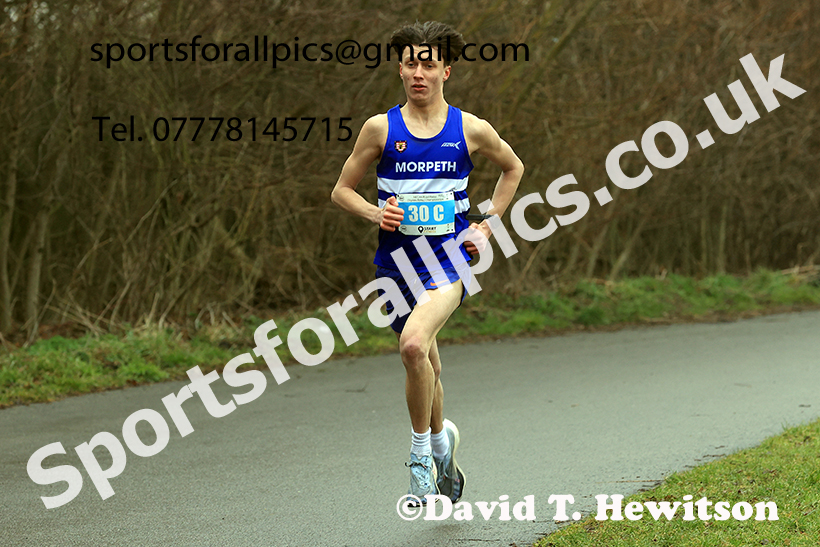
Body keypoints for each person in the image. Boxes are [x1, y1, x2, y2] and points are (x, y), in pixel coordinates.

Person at [330, 21, 524, 506]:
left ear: (446, 72)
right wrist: (376, 212)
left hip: (449, 258)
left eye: (429, 65)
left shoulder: (470, 128)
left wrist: (486, 225)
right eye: (411, 64)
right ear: (400, 70)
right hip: (395, 264)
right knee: (427, 365)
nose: (419, 73)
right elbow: (341, 190)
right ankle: (442, 445)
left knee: (414, 346)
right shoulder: (380, 129)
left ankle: (420, 460)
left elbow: (513, 168)